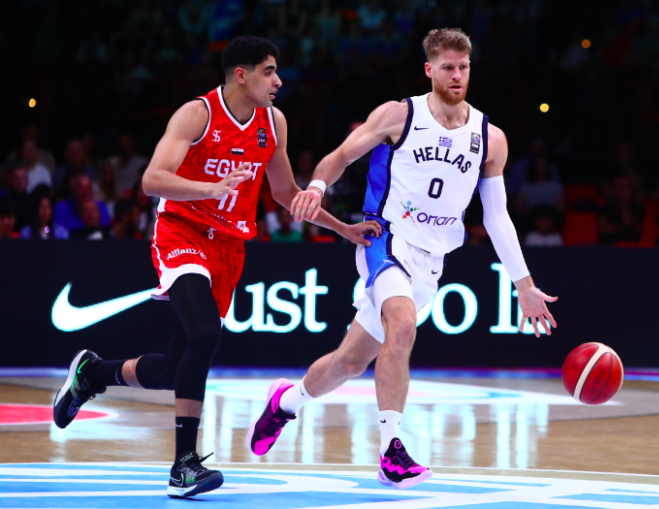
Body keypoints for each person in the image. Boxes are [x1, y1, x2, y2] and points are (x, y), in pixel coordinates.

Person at [52, 36, 380, 499]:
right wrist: (210, 188)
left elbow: (286, 193)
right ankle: (183, 466)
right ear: (241, 75)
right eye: (269, 71)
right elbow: (152, 180)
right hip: (181, 231)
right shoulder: (197, 114)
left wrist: (342, 228)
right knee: (205, 334)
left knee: (175, 369)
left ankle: (93, 374)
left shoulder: (274, 123)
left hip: (228, 245)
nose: (278, 81)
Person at [251, 29, 558, 490]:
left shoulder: (490, 138)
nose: (457, 75)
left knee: (349, 362)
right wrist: (316, 187)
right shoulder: (400, 115)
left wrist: (524, 285)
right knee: (403, 325)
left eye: (464, 67)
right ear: (429, 70)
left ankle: (285, 403)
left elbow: (497, 218)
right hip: (385, 238)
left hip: (432, 260)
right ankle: (391, 450)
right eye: (448, 67)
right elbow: (341, 156)